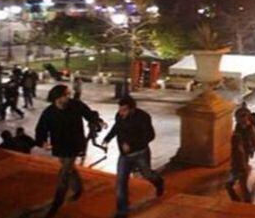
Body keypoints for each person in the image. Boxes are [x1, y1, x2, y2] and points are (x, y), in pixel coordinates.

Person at [35, 84, 104, 218]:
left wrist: (97, 121)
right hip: (60, 145)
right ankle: (78, 188)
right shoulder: (49, 112)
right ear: (58, 97)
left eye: (68, 94)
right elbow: (41, 128)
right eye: (66, 94)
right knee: (68, 166)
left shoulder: (76, 105)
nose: (68, 97)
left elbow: (89, 114)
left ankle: (56, 204)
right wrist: (42, 141)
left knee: (64, 173)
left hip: (75, 143)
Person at [101, 96, 164, 218]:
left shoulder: (143, 117)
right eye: (120, 109)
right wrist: (107, 138)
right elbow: (117, 127)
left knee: (147, 174)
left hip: (140, 153)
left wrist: (132, 144)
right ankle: (122, 210)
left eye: (124, 110)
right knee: (121, 181)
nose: (121, 112)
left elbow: (150, 135)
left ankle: (158, 181)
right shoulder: (119, 115)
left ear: (132, 109)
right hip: (124, 155)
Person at [225, 132, 251, 202]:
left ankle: (237, 200)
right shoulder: (239, 148)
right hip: (239, 170)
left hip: (238, 171)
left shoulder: (238, 150)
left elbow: (240, 162)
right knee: (243, 188)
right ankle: (246, 201)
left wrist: (239, 171)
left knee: (229, 185)